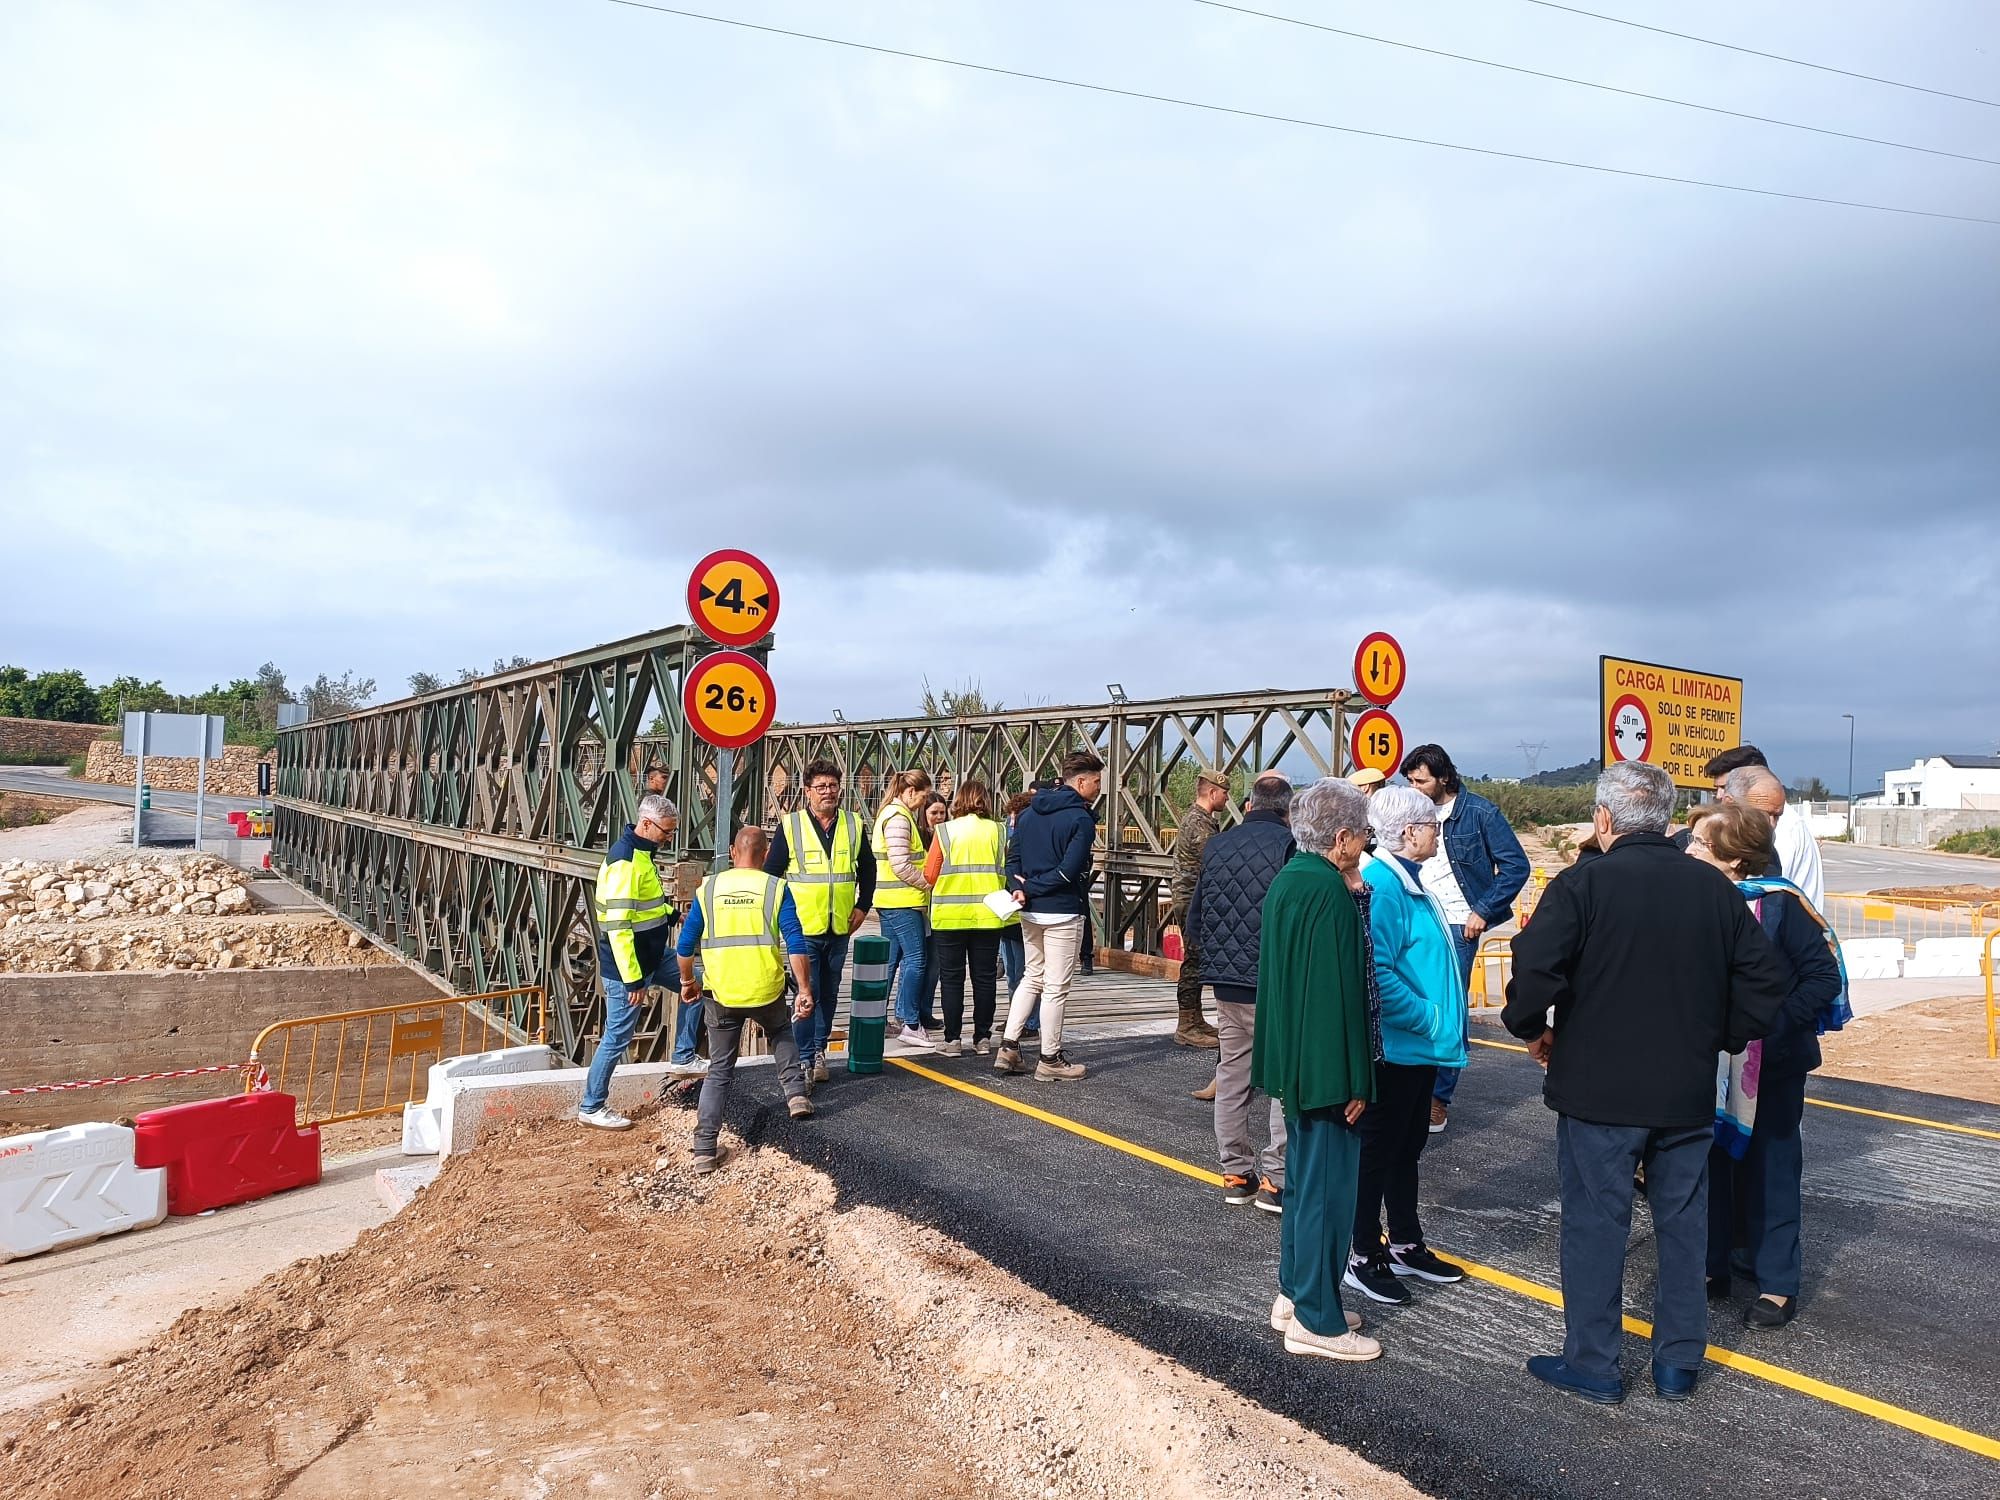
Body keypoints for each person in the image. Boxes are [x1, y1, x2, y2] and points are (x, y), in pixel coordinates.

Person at [1502, 761, 1788, 1405]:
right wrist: (1719, 1035)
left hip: (1597, 1091)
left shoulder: (1583, 883)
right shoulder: (1712, 888)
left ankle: (1595, 1364)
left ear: (1604, 818)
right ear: (1663, 820)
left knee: (1595, 1224)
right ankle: (1678, 1362)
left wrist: (1532, 1029)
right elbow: (1765, 982)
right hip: (1684, 1089)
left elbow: (1534, 968)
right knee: (1683, 1224)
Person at [1685, 802, 1843, 1330]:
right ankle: (1713, 1266)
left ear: (1735, 858)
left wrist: (1766, 1029)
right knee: (1710, 1162)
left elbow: (1823, 978)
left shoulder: (1781, 905)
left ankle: (1777, 1283)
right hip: (1706, 1060)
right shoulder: (1696, 898)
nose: (1689, 850)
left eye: (1701, 844)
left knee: (1772, 1167)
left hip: (1771, 1063)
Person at [1254, 778, 1381, 1363]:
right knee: (1328, 1191)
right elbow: (1337, 994)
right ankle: (1317, 1319)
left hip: (1297, 1060)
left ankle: (1297, 1292)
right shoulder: (1327, 892)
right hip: (1326, 1068)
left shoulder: (1294, 879)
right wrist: (1354, 1078)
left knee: (1304, 1185)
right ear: (1342, 837)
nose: (1365, 843)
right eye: (1362, 834)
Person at [1346, 786, 1469, 1304]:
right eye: (1432, 826)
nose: (1438, 833)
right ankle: (1361, 1252)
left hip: (1418, 1046)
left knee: (1405, 1147)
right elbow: (1377, 971)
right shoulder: (1384, 885)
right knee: (1378, 1151)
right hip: (1398, 1046)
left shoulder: (1407, 880)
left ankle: (1404, 1240)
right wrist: (1430, 1018)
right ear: (1409, 832)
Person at [1400, 743, 1530, 1135]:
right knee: (1412, 1005)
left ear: (1444, 778)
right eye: (1409, 781)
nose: (1414, 788)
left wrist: (1483, 911)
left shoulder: (1480, 813)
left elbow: (1516, 866)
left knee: (1449, 1011)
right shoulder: (1411, 811)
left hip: (1458, 925)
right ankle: (1413, 1090)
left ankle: (1438, 1099)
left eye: (1421, 781)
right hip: (1416, 919)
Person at [676, 825, 817, 1172]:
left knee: (720, 1069)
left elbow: (685, 946)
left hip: (721, 992)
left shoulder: (709, 888)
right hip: (765, 987)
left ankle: (704, 1149)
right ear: (766, 855)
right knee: (781, 1031)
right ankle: (796, 1095)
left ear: (732, 852)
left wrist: (687, 982)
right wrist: (804, 989)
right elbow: (796, 942)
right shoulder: (775, 888)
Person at [1188, 772, 1295, 1208]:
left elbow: (1196, 917)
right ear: (1288, 811)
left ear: (1249, 806)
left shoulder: (1217, 845)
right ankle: (1276, 1179)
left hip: (1226, 981)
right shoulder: (1289, 847)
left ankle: (1235, 1171)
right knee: (1284, 1080)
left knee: (1233, 1075)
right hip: (1273, 981)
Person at [580, 793, 688, 1131]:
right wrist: (633, 980)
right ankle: (591, 1106)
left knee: (697, 985)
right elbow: (618, 928)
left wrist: (670, 915)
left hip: (654, 957)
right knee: (617, 1037)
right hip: (628, 968)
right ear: (646, 824)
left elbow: (645, 905)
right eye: (666, 832)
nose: (669, 838)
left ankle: (684, 1055)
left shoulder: (642, 854)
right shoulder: (624, 862)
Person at [994, 751, 1102, 1082]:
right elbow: (1069, 871)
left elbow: (1012, 861)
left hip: (1029, 911)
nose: (1099, 788)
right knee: (1055, 987)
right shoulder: (1081, 820)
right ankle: (1050, 1059)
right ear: (1080, 782)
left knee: (1032, 976)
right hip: (1062, 911)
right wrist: (1033, 888)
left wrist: (1020, 888)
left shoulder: (1028, 814)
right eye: (1096, 782)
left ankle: (1008, 1047)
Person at [766, 758, 874, 1087]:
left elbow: (868, 869)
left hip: (839, 926)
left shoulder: (853, 824)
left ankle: (819, 1049)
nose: (828, 792)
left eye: (833, 786)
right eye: (821, 787)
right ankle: (804, 1058)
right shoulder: (792, 826)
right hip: (802, 928)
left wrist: (863, 906)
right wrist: (780, 917)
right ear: (807, 791)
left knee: (828, 993)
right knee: (806, 991)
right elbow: (771, 876)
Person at [923, 779, 1012, 1056]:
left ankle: (952, 1040)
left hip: (950, 917)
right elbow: (1008, 868)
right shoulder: (998, 831)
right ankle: (982, 1038)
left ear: (958, 801)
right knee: (985, 979)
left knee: (952, 979)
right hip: (988, 916)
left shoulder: (945, 831)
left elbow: (930, 874)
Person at [871, 769, 936, 1047]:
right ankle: (911, 1023)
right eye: (923, 796)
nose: (923, 802)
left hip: (889, 900)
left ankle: (875, 1018)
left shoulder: (890, 813)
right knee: (916, 960)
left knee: (890, 961)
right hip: (904, 901)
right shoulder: (899, 818)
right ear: (910, 792)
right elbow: (900, 864)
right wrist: (926, 883)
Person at [1168, 768, 1231, 1049]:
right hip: (1193, 899)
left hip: (1194, 897)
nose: (1227, 799)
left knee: (1198, 959)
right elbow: (1214, 860)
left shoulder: (1201, 820)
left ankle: (1195, 1018)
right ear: (1212, 792)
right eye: (1224, 793)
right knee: (1194, 961)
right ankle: (1186, 1025)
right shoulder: (1199, 823)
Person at [998, 791, 1034, 1005]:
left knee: (1024, 972)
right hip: (1008, 915)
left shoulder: (1031, 844)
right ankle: (1015, 1013)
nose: (1011, 823)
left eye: (1015, 818)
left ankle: (1027, 1017)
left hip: (1023, 915)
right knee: (1012, 973)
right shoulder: (1010, 841)